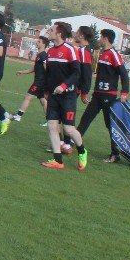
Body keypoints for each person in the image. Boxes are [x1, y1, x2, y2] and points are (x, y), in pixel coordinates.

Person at [76, 29, 130, 163]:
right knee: (85, 119)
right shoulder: (102, 53)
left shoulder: (113, 54)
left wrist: (124, 93)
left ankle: (115, 154)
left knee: (110, 125)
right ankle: (71, 145)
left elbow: (123, 74)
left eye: (101, 37)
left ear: (105, 39)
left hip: (108, 96)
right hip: (97, 95)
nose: (99, 39)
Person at [41, 22, 88, 170]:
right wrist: (47, 91)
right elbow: (49, 74)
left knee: (68, 129)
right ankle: (58, 161)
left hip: (68, 96)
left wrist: (63, 86)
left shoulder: (70, 50)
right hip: (54, 96)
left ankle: (82, 151)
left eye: (52, 30)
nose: (49, 32)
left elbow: (76, 73)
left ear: (59, 33)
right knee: (52, 126)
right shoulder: (49, 52)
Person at [14, 36, 50, 121]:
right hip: (41, 82)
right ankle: (50, 120)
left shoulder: (43, 55)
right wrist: (22, 72)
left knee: (28, 96)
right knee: (43, 101)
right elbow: (34, 68)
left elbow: (47, 68)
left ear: (44, 44)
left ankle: (18, 116)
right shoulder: (39, 55)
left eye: (39, 42)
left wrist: (48, 81)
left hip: (39, 82)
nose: (37, 43)